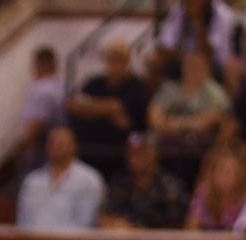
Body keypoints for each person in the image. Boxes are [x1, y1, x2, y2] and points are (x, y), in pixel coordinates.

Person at [66, 39, 148, 179]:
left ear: (127, 61)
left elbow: (124, 120)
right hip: (87, 150)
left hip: (118, 154)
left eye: (119, 58)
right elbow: (74, 105)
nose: (115, 62)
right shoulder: (94, 83)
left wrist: (91, 108)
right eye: (111, 58)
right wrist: (108, 109)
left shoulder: (136, 87)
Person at [17, 126, 106, 230]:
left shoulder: (89, 180)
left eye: (62, 143)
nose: (57, 147)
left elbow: (86, 223)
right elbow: (23, 222)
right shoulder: (32, 181)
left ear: (74, 146)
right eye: (53, 143)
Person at [101, 133, 189, 228]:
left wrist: (138, 232)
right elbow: (105, 216)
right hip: (123, 238)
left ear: (154, 154)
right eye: (131, 153)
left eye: (140, 153)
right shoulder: (119, 182)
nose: (133, 158)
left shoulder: (171, 187)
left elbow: (180, 225)